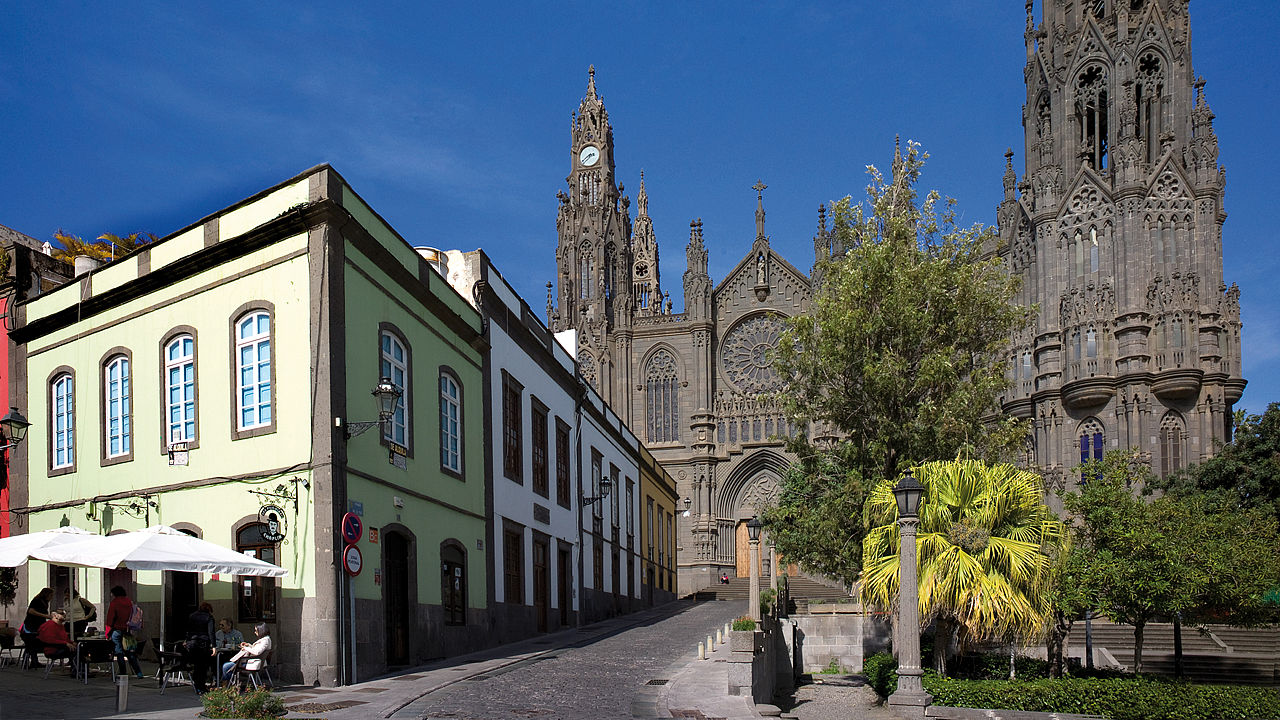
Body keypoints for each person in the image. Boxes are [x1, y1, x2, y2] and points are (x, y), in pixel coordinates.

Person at [104, 585, 143, 678]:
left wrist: (107, 633)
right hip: (127, 630)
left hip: (117, 631)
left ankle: (123, 673)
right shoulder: (129, 602)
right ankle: (138, 672)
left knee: (119, 652)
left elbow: (110, 619)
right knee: (130, 652)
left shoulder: (114, 603)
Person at [21, 587, 54, 668]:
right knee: (31, 642)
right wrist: (45, 616)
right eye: (51, 595)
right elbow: (31, 611)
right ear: (47, 594)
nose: (52, 597)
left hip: (39, 625)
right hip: (31, 625)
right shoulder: (37, 600)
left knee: (33, 643)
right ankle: (28, 661)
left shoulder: (45, 602)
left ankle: (34, 661)